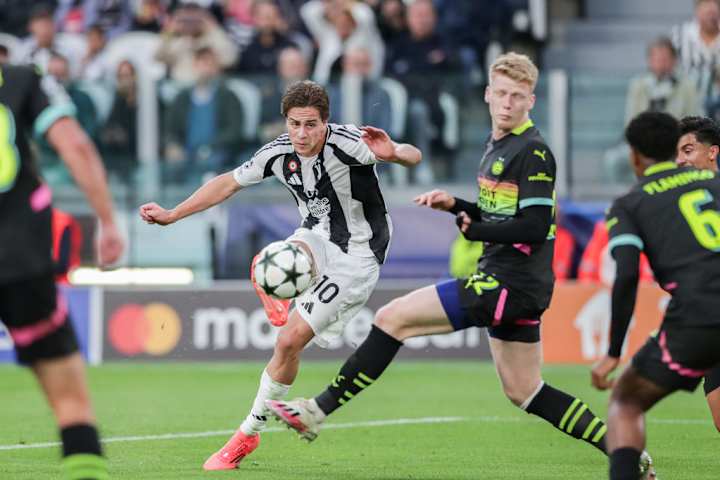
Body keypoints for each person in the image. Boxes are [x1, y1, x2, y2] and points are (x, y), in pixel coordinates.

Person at [267, 53, 655, 479]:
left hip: (508, 282)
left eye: (518, 96)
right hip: (516, 286)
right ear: (488, 94)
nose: (507, 103)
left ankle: (316, 410)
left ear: (532, 100)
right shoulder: (498, 146)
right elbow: (502, 214)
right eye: (501, 94)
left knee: (394, 318)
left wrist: (476, 229)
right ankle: (624, 449)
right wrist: (458, 205)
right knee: (526, 391)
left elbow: (537, 224)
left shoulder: (533, 152)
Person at [138, 79, 421, 471]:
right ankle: (270, 277)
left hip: (359, 252)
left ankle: (249, 428)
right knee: (295, 261)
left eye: (310, 125)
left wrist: (394, 153)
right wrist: (172, 213)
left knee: (288, 342)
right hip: (316, 235)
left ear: (326, 123)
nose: (301, 135)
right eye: (293, 124)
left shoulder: (349, 143)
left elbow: (413, 155)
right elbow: (226, 184)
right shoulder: (278, 152)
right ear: (285, 121)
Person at [0, 64, 124, 479]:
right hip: (19, 257)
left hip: (19, 253)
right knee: (71, 402)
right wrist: (107, 221)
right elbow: (75, 145)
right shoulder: (21, 78)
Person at [591, 111, 720, 479]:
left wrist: (613, 352)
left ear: (633, 156)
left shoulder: (629, 204)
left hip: (698, 318)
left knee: (626, 402)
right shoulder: (714, 185)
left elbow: (628, 273)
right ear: (672, 150)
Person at [675, 115, 720, 433]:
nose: (680, 159)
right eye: (677, 152)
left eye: (688, 150)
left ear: (712, 152)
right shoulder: (676, 206)